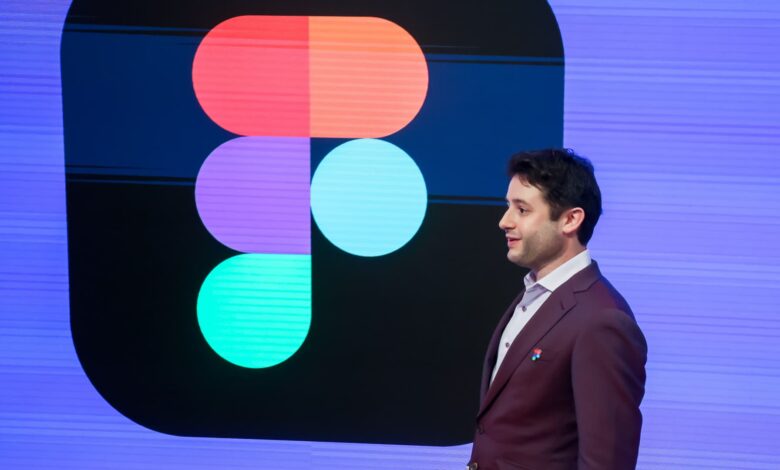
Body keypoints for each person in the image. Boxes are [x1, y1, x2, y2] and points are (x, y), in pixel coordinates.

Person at [467, 149, 647, 470]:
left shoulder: (602, 320)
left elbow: (606, 463)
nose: (504, 221)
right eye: (508, 206)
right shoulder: (534, 295)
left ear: (570, 220)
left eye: (522, 209)